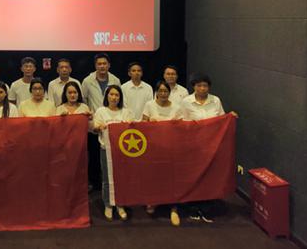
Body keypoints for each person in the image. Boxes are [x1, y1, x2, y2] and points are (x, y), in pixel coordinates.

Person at [179, 73, 237, 223]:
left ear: (209, 87)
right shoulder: (186, 102)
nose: (202, 88)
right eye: (199, 85)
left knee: (210, 176)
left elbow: (221, 119)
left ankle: (207, 207)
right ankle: (193, 207)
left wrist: (230, 116)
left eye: (205, 85)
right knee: (194, 176)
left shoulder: (215, 100)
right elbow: (183, 123)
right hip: (194, 146)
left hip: (212, 145)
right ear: (193, 86)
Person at [141, 80, 183, 225]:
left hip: (171, 148)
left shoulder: (177, 107)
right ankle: (153, 201)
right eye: (160, 91)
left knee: (172, 177)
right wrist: (149, 124)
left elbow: (182, 129)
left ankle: (173, 208)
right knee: (154, 176)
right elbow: (142, 125)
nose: (163, 94)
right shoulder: (149, 105)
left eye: (166, 91)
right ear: (156, 92)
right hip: (153, 148)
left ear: (169, 93)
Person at [93, 85, 134, 221]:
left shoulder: (126, 112)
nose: (114, 97)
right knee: (107, 179)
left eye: (117, 95)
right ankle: (108, 204)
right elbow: (95, 128)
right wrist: (99, 127)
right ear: (107, 96)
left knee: (121, 178)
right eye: (111, 94)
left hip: (122, 151)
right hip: (106, 150)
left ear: (120, 97)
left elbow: (131, 129)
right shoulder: (101, 111)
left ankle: (120, 204)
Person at [82, 53, 121, 190]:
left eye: (104, 63)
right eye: (99, 64)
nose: (102, 66)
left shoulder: (115, 80)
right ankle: (95, 183)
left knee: (112, 155)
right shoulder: (87, 81)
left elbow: (119, 98)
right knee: (94, 155)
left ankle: (112, 182)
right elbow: (84, 100)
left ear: (109, 65)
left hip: (111, 123)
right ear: (95, 65)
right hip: (95, 123)